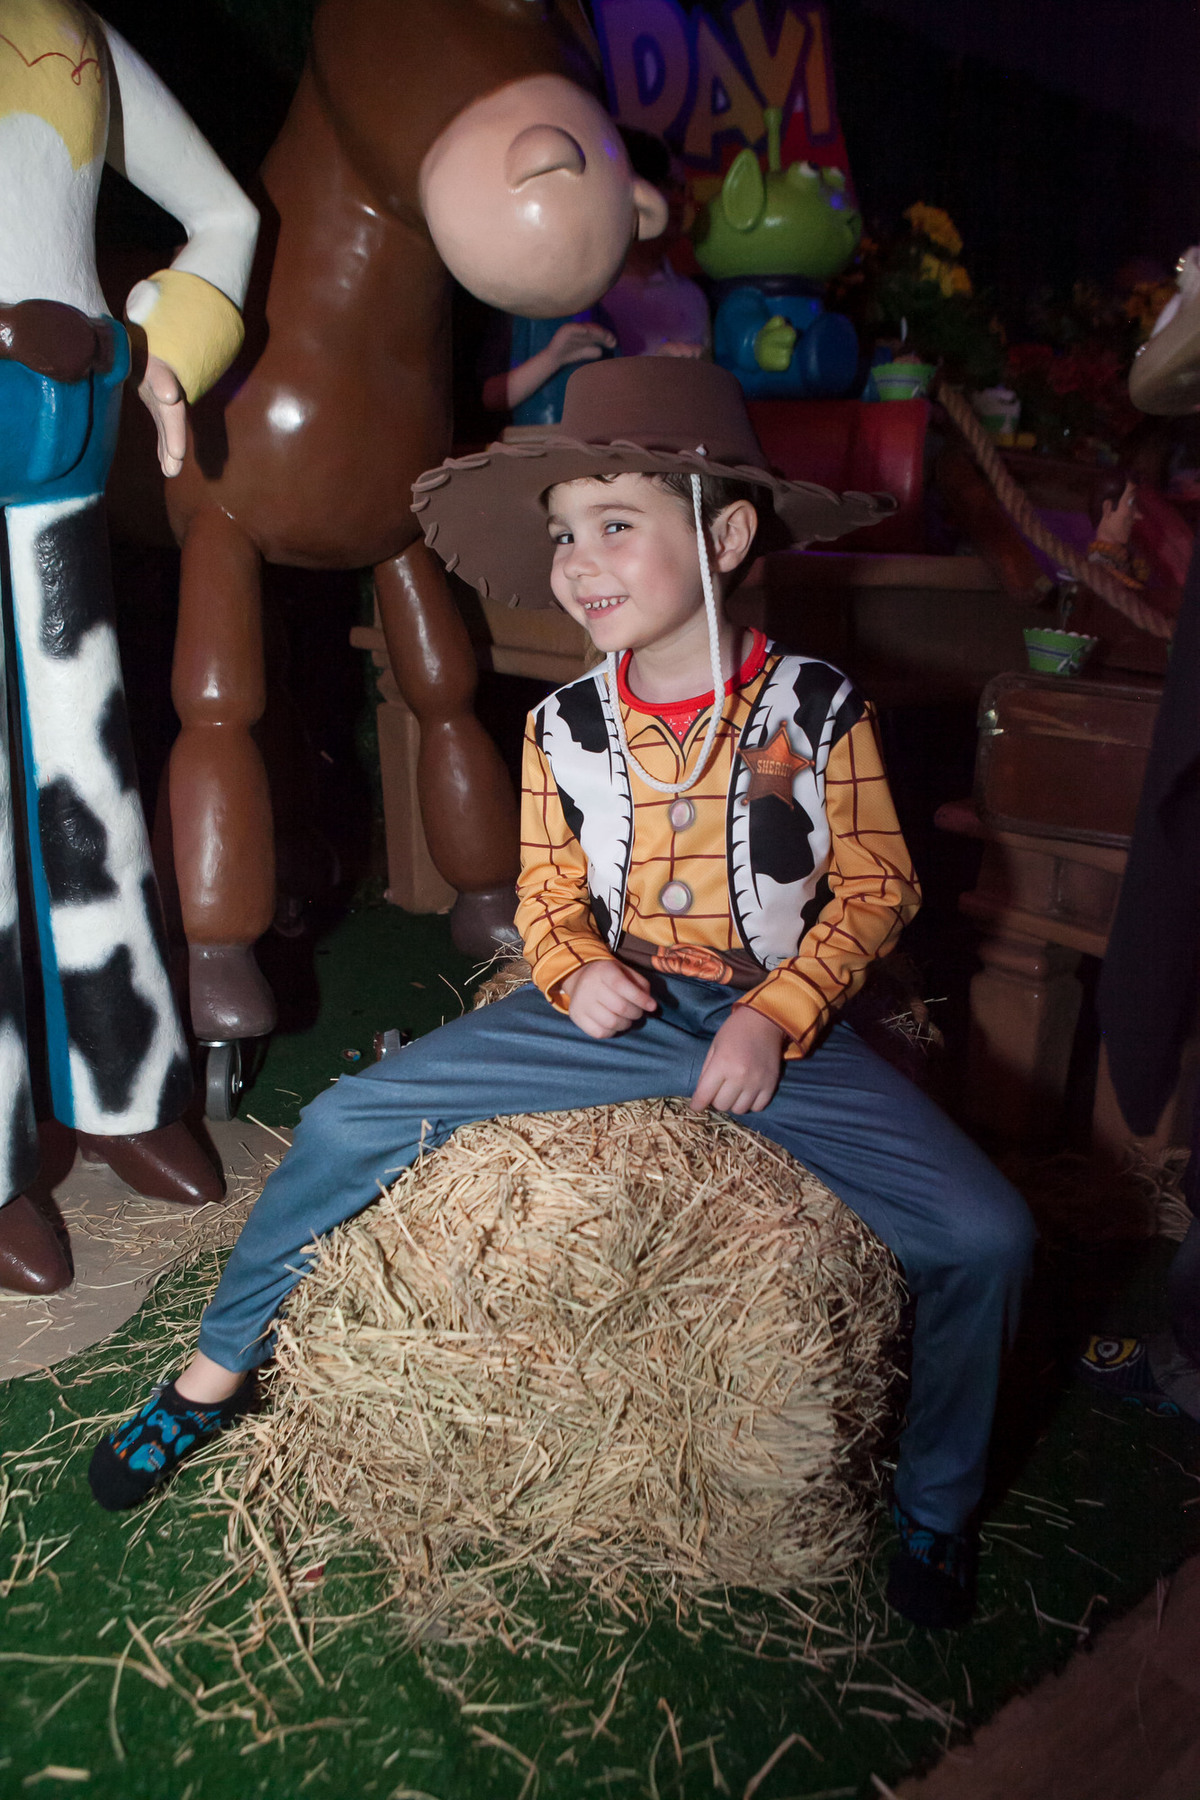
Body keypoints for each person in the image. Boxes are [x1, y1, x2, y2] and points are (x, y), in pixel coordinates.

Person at [90, 358, 1034, 1631]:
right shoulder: (564, 724)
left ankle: (938, 1503)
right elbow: (544, 888)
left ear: (726, 537)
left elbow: (876, 884)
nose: (580, 562)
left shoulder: (816, 709)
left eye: (615, 524)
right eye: (563, 534)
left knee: (987, 1233)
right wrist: (575, 967)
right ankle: (211, 1374)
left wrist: (778, 1014)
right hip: (617, 1011)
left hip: (772, 1020)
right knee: (348, 1119)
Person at [0, 3, 259, 1294]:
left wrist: (168, 350)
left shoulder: (72, 32)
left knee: (87, 781)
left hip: (60, 439)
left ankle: (122, 1087)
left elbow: (224, 214)